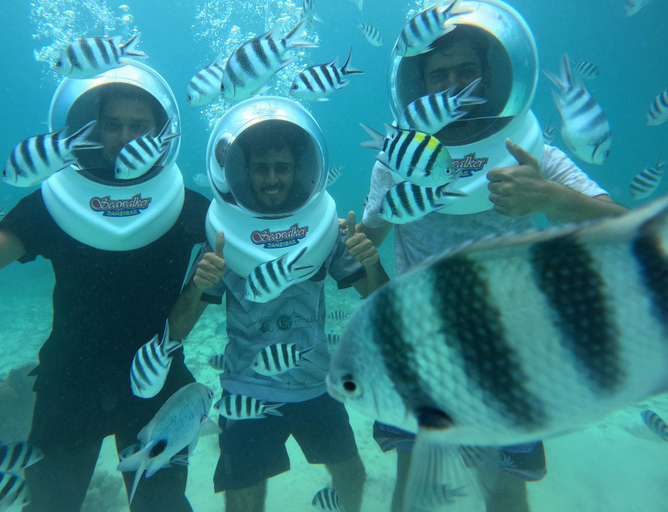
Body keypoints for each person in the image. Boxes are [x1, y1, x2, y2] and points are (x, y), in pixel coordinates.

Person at [357, 9, 628, 512]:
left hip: (509, 354)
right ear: (419, 87)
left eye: (466, 71)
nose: (453, 85)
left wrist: (548, 196)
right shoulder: (397, 160)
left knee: (504, 490)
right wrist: (348, 238)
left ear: (488, 76)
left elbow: (625, 229)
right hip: (419, 350)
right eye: (439, 75)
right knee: (413, 485)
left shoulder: (528, 150)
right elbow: (364, 244)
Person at [0, 63, 209, 512]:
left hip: (157, 377)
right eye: (112, 124)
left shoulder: (186, 205)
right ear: (94, 129)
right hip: (69, 382)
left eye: (139, 126)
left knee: (161, 507)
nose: (125, 137)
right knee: (50, 505)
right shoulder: (56, 200)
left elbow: (244, 249)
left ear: (162, 133)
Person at [170, 115, 389, 512]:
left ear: (299, 170)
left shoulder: (324, 231)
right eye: (261, 168)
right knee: (244, 496)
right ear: (243, 172)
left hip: (316, 383)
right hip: (247, 386)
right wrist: (197, 285)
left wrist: (371, 262)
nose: (272, 178)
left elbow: (383, 305)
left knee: (352, 476)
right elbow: (178, 329)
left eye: (282, 167)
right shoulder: (222, 237)